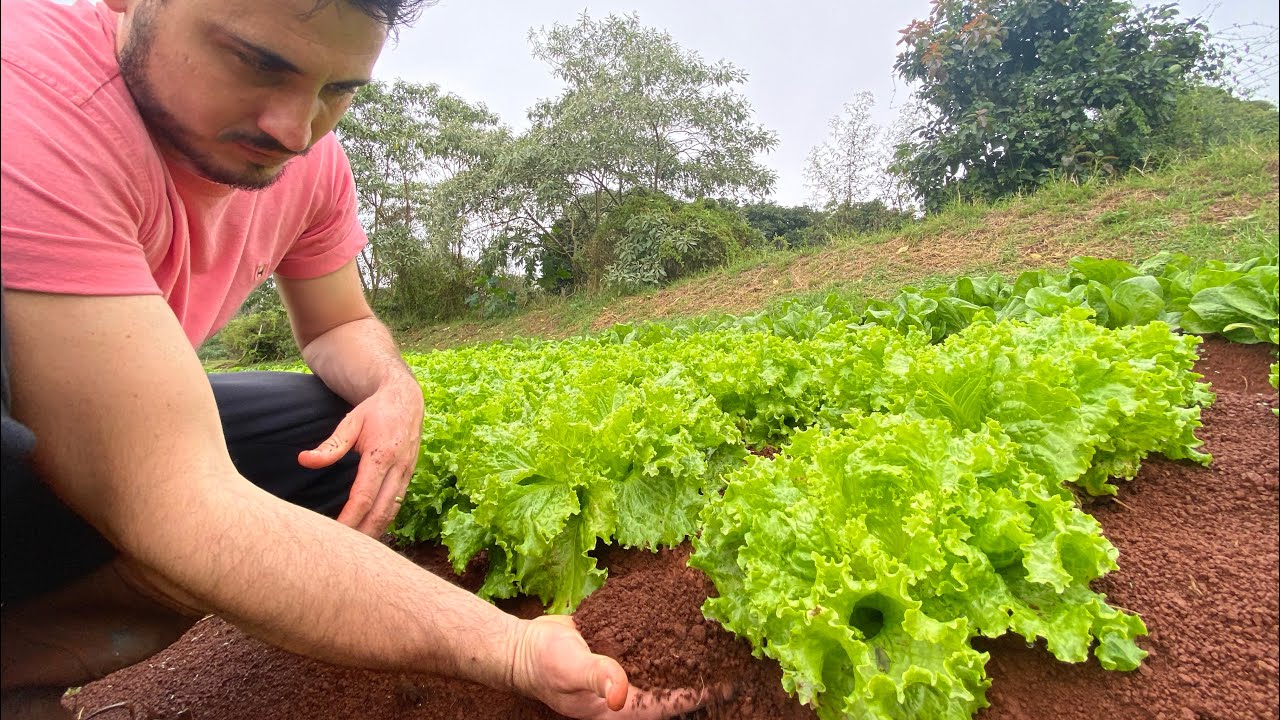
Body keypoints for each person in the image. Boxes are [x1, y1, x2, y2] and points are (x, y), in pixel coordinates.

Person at [0, 1, 718, 718]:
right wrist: (512, 648)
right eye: (257, 62)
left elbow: (338, 322)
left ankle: (22, 658)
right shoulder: (30, 84)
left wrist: (393, 386)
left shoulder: (308, 163)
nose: (293, 129)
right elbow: (175, 503)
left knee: (336, 437)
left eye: (337, 90)